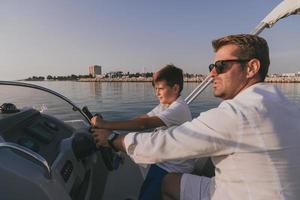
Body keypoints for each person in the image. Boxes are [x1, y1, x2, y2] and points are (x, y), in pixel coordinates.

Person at [92, 34, 300, 200]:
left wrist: (113, 139)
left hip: (243, 193)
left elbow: (166, 143)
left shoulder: (239, 113)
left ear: (251, 68)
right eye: (212, 67)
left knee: (166, 182)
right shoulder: (285, 105)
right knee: (171, 182)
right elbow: (145, 119)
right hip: (259, 187)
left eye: (221, 66)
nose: (211, 74)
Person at [91, 64, 196, 200]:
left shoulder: (178, 108)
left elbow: (143, 125)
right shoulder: (165, 104)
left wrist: (104, 124)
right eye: (156, 89)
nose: (156, 93)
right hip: (163, 162)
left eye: (160, 89)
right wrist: (111, 128)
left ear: (175, 88)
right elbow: (143, 118)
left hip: (173, 169)